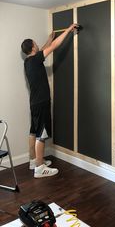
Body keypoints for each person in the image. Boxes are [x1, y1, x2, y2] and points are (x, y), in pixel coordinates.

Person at [21, 23, 78, 178]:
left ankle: (34, 161)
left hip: (34, 103)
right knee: (42, 133)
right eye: (36, 44)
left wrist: (48, 39)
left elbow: (44, 49)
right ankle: (40, 169)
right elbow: (53, 46)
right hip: (41, 102)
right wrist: (68, 30)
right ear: (32, 48)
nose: (38, 45)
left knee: (33, 131)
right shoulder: (35, 60)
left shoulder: (28, 62)